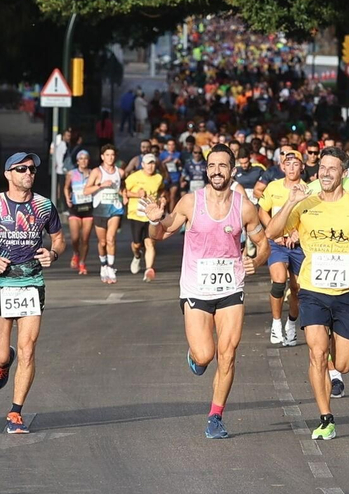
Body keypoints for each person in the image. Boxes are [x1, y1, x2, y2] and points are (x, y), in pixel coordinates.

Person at [266, 147, 349, 440]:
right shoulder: (305, 203)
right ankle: (326, 418)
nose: (325, 173)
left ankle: (337, 350)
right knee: (317, 354)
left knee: (343, 364)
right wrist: (290, 202)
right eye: (322, 167)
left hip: (348, 293)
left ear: (343, 173)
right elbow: (272, 232)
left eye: (332, 168)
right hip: (313, 290)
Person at [142, 144, 269, 439]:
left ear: (232, 171)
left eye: (222, 166)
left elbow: (263, 244)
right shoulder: (190, 201)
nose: (216, 171)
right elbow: (162, 232)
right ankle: (196, 357)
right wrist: (155, 219)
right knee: (205, 355)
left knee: (228, 353)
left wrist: (256, 261)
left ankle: (215, 416)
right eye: (212, 166)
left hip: (231, 287)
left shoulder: (243, 206)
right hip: (196, 288)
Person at [0, 152, 64, 433]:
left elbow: (59, 239)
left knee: (28, 350)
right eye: (21, 169)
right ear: (8, 174)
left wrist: (53, 253)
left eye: (32, 169)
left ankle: (15, 412)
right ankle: (3, 362)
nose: (28, 173)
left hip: (31, 283)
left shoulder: (44, 206)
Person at [260, 147, 316, 347]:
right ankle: (276, 323)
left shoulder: (308, 190)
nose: (292, 168)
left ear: (302, 167)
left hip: (298, 245)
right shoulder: (273, 187)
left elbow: (311, 218)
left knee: (297, 288)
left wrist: (298, 233)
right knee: (279, 281)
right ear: (282, 167)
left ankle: (291, 324)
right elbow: (262, 211)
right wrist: (273, 231)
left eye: (296, 164)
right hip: (277, 243)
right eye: (288, 164)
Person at [124, 154, 165, 279]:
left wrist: (162, 198)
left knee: (150, 242)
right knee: (137, 244)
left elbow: (161, 190)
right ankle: (137, 255)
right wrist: (137, 194)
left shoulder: (158, 177)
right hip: (136, 215)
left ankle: (148, 270)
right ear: (142, 165)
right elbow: (124, 191)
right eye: (148, 163)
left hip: (151, 215)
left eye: (153, 163)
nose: (150, 166)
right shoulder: (133, 177)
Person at [90, 145, 125, 283]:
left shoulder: (120, 172)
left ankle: (110, 267)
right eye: (107, 155)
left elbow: (122, 188)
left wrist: (125, 195)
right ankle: (103, 265)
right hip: (100, 209)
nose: (110, 158)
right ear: (102, 157)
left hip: (115, 208)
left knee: (111, 239)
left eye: (112, 155)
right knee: (103, 242)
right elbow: (86, 190)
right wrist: (101, 185)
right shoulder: (96, 172)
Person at [62, 148, 95, 274]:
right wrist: (67, 198)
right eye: (81, 159)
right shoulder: (71, 173)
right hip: (75, 208)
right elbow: (66, 187)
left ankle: (82, 263)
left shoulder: (93, 173)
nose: (83, 161)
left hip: (88, 208)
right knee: (75, 238)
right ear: (77, 161)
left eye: (85, 159)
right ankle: (76, 253)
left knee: (85, 239)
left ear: (88, 160)